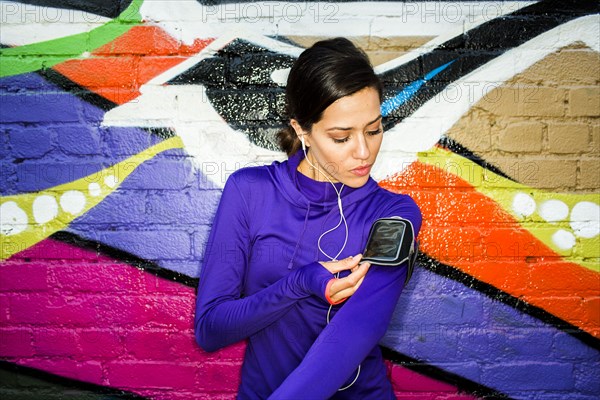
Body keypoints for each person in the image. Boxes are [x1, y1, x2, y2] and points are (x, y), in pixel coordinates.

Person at [194, 37, 422, 399]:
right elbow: (210, 329)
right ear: (302, 130)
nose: (364, 152)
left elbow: (353, 333)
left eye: (374, 130)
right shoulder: (249, 192)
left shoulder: (395, 214)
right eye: (341, 137)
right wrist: (298, 284)